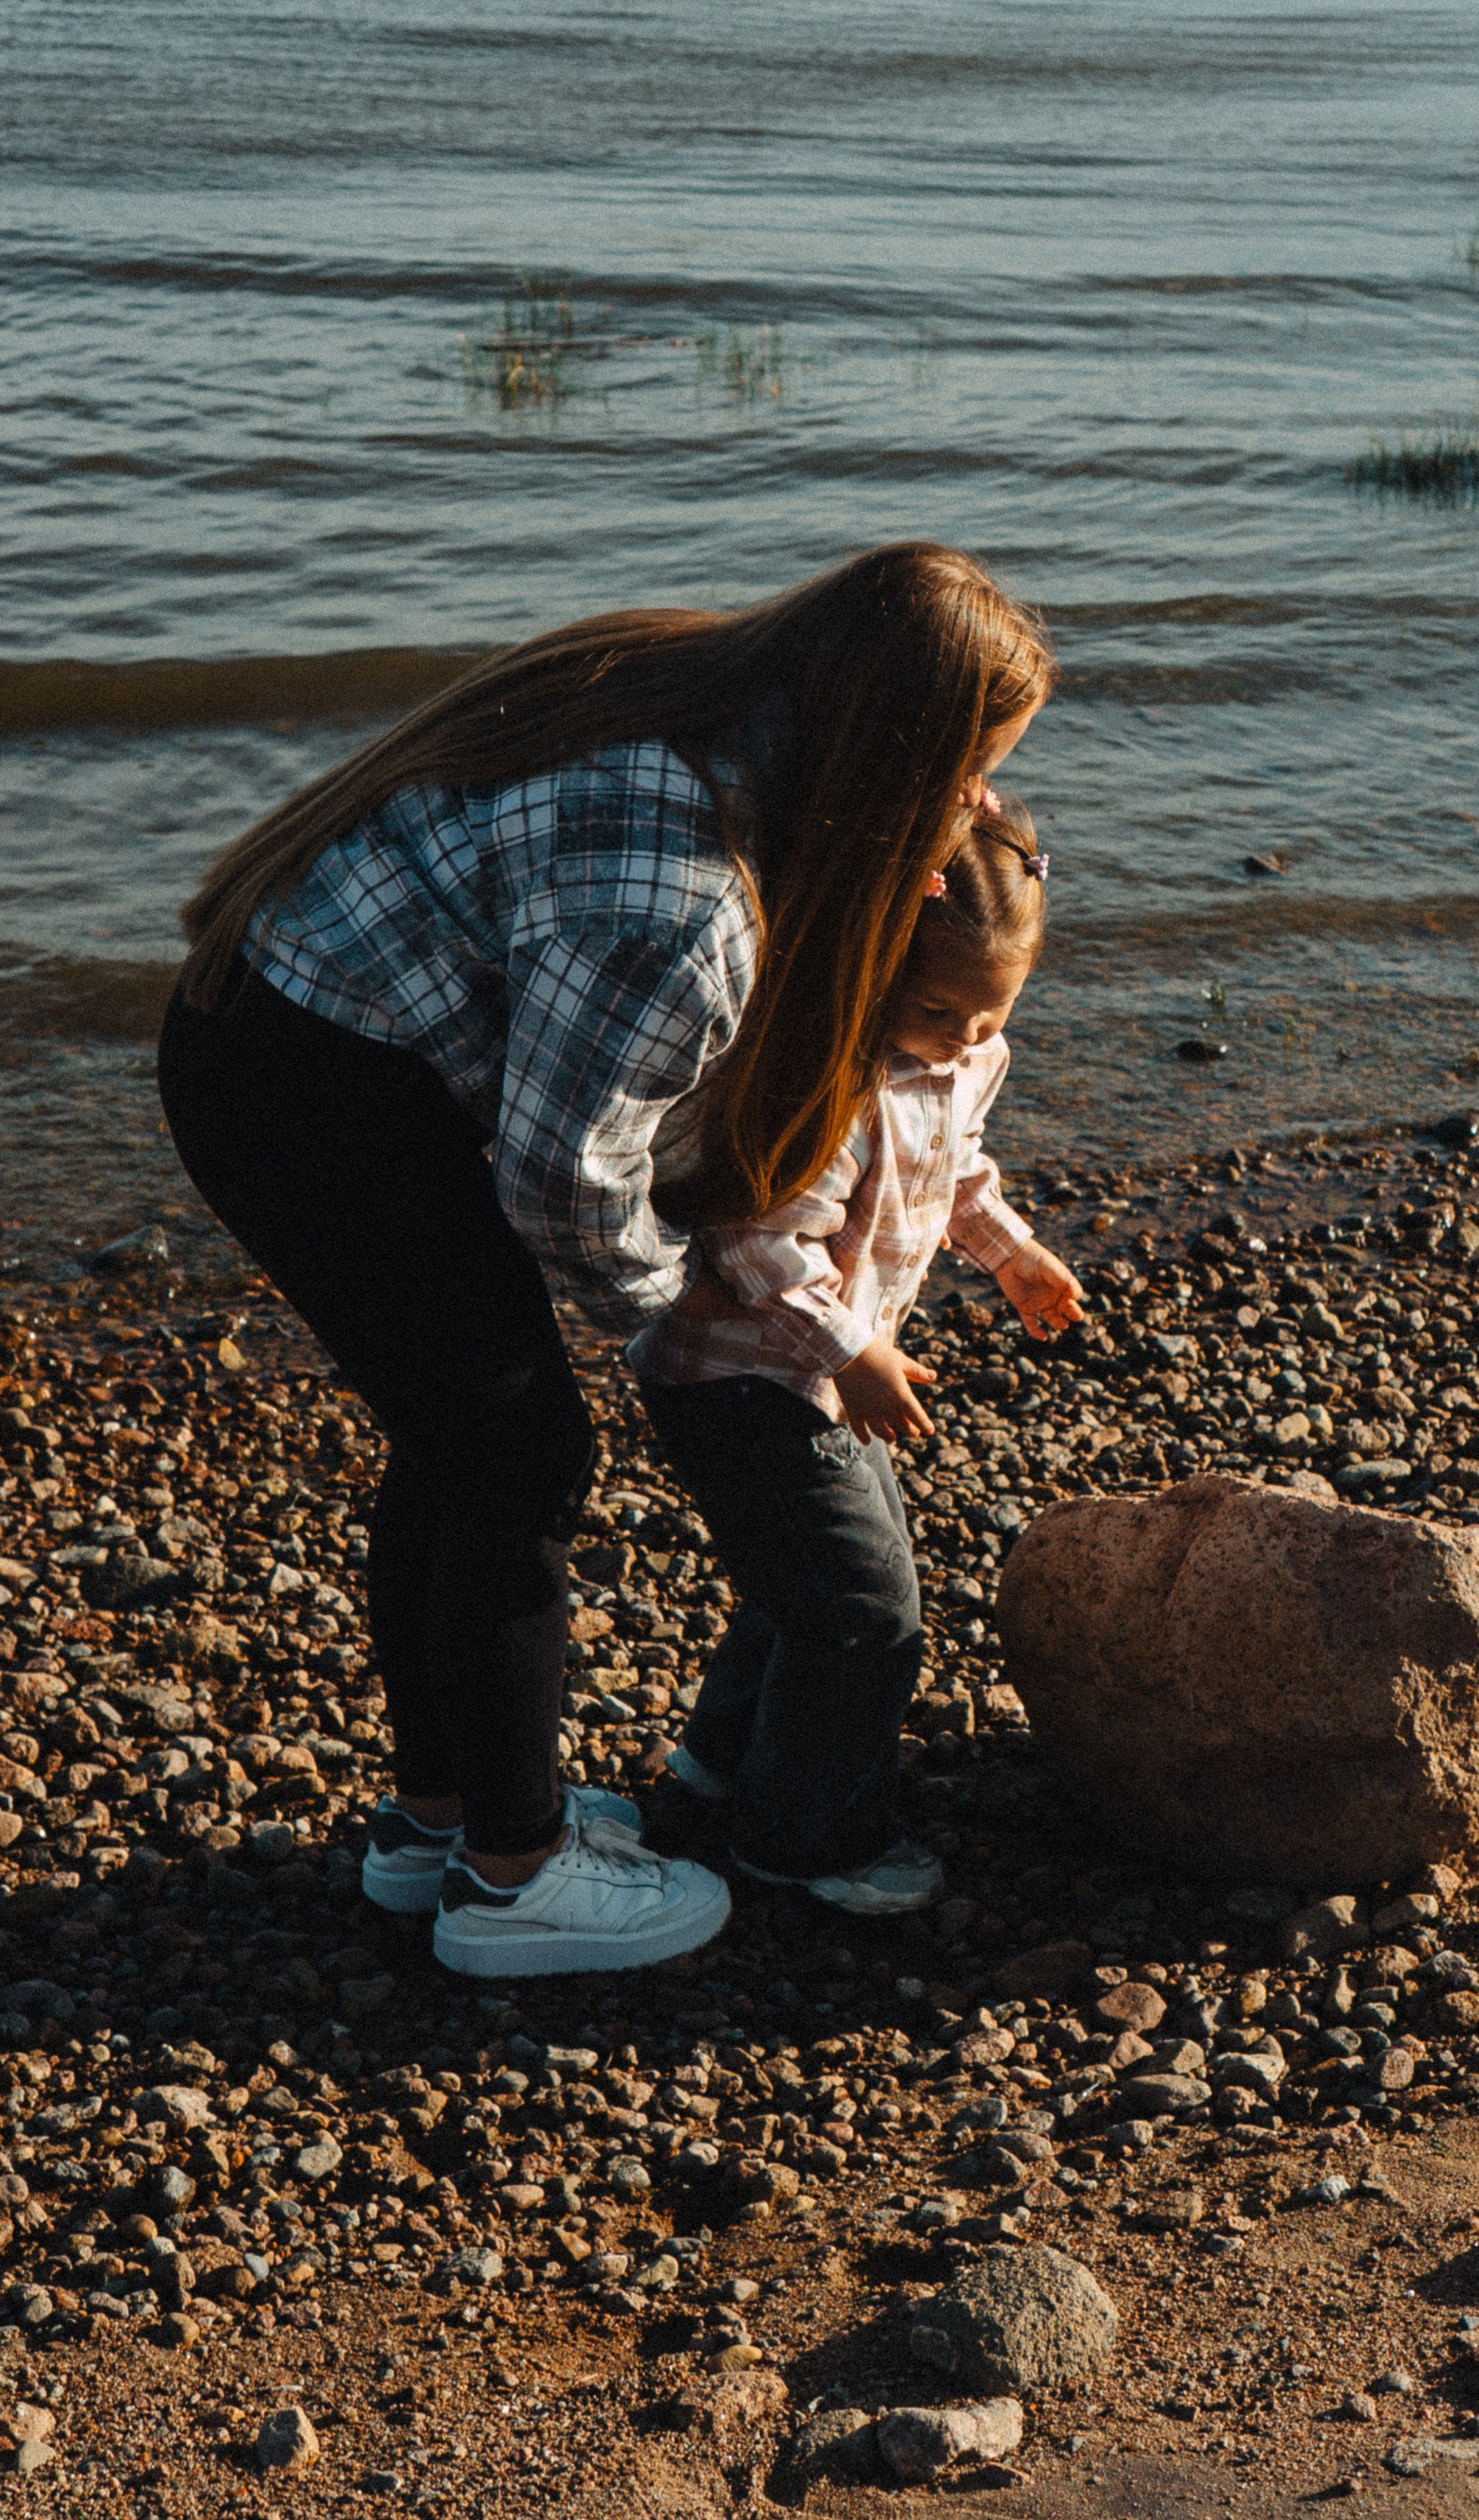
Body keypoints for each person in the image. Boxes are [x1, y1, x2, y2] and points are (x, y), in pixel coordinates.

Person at [155, 544, 1054, 1977]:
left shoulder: (706, 693)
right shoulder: (681, 900)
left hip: (288, 1019)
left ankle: (437, 1820)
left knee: (452, 1442)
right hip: (316, 1092)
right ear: (884, 752)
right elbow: (564, 1178)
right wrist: (689, 1303)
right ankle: (513, 1883)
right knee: (520, 1460)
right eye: (964, 777)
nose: (976, 813)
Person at [629, 796, 1084, 1916]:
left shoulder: (970, 1059)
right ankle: (805, 1839)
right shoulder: (826, 1086)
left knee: (806, 1583)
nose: (965, 1035)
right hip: (736, 1376)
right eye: (937, 1009)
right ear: (873, 966)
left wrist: (1012, 1253)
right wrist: (857, 1351)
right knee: (866, 1611)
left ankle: (722, 1768)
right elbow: (755, 1241)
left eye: (991, 1012)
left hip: (822, 1373)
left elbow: (956, 1170)